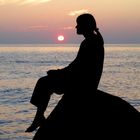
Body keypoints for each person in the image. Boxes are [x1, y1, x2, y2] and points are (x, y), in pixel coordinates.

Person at [25, 13, 104, 138]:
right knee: (45, 82)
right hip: (83, 80)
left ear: (85, 25)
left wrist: (58, 73)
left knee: (44, 82)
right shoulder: (93, 40)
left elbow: (78, 67)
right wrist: (59, 72)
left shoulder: (90, 42)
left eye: (78, 24)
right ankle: (39, 117)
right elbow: (77, 65)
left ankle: (39, 117)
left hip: (82, 83)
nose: (75, 27)